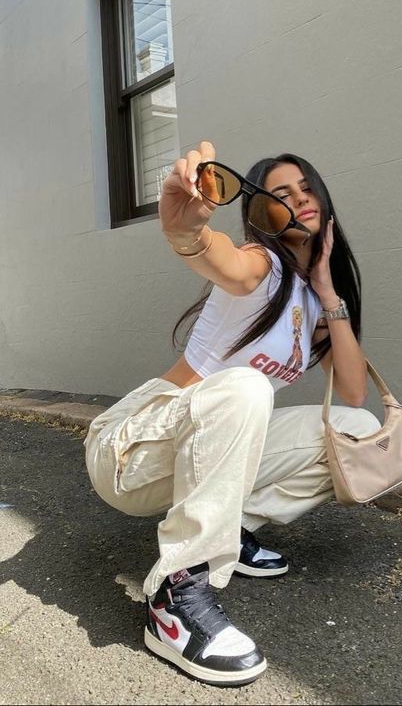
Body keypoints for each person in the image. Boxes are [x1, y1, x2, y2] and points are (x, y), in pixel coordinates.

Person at [84, 140, 381, 687]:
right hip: (129, 449)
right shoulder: (261, 265)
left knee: (357, 430)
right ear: (261, 213)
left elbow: (355, 392)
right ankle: (176, 596)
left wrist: (326, 289)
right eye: (282, 194)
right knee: (247, 387)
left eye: (307, 188)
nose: (300, 199)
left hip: (198, 446)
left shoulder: (310, 299)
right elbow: (223, 259)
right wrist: (186, 232)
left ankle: (229, 529)